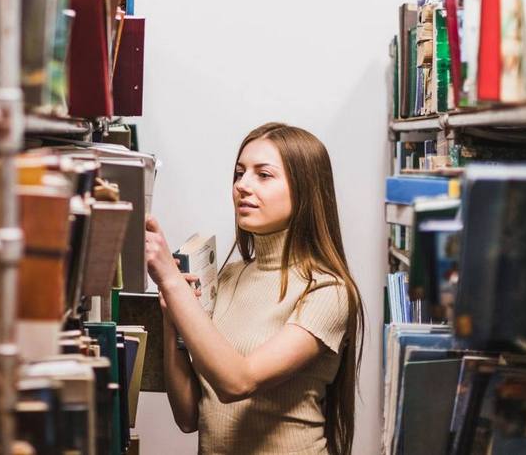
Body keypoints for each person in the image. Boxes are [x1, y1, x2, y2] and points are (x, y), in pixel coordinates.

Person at [145, 123, 366, 455]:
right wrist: (171, 317)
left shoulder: (327, 292)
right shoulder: (229, 276)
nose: (242, 186)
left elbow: (238, 382)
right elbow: (188, 416)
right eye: (240, 173)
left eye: (263, 175)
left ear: (305, 190)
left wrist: (171, 281)